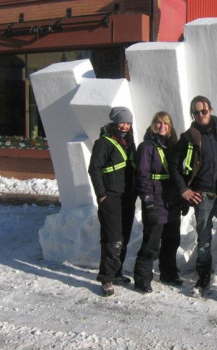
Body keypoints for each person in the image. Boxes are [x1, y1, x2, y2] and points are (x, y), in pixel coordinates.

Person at [169, 95, 217, 296]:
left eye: (204, 110)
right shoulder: (188, 137)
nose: (201, 114)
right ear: (192, 114)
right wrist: (183, 190)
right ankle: (203, 279)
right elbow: (173, 166)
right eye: (196, 112)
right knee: (204, 240)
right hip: (201, 197)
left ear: (210, 110)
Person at [88, 106, 137, 297]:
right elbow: (94, 169)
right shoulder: (104, 142)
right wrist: (101, 194)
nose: (125, 126)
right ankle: (106, 277)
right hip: (111, 197)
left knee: (123, 235)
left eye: (128, 122)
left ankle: (116, 272)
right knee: (112, 238)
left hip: (127, 196)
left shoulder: (128, 141)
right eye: (122, 122)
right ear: (115, 123)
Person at [133, 111, 183, 293]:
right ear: (152, 124)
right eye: (158, 122)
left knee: (172, 240)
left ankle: (168, 273)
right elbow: (142, 176)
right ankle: (142, 279)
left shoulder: (173, 147)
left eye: (165, 124)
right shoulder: (146, 146)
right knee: (151, 241)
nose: (161, 126)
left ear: (170, 128)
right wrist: (148, 201)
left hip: (171, 201)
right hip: (155, 199)